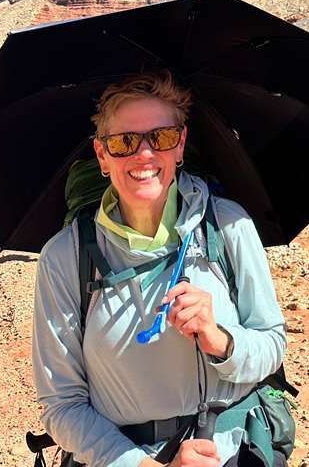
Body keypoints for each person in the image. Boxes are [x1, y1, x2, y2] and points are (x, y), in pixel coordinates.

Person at [32, 71, 286, 467]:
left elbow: (272, 344)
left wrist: (221, 340)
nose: (144, 155)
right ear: (102, 155)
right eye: (124, 142)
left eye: (162, 137)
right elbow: (62, 404)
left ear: (180, 145)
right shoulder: (64, 257)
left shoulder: (228, 226)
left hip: (232, 452)